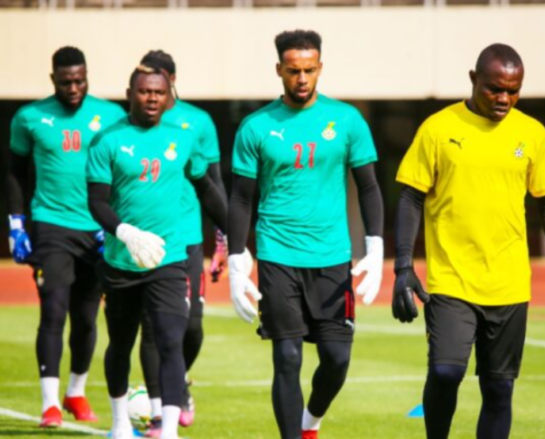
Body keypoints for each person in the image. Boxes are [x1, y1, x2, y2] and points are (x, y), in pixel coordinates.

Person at [392, 43, 545, 439]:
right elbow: (411, 197)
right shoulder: (438, 128)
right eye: (494, 88)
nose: (504, 99)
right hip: (451, 281)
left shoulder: (532, 134)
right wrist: (403, 266)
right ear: (473, 79)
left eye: (513, 90)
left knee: (498, 388)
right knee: (446, 372)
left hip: (509, 283)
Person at [226, 30, 385, 439]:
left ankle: (310, 421)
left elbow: (368, 186)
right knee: (288, 356)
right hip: (278, 256)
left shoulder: (347, 119)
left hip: (332, 257)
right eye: (293, 70)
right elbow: (241, 199)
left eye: (309, 70)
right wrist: (236, 262)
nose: (301, 78)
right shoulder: (255, 127)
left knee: (336, 359)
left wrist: (375, 245)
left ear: (320, 68)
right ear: (279, 69)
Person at [85, 64, 227, 439]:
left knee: (169, 339)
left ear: (169, 96)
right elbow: (96, 202)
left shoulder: (182, 137)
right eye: (144, 91)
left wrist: (233, 230)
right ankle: (118, 424)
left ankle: (168, 431)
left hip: (168, 258)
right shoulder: (106, 141)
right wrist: (125, 232)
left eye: (158, 92)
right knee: (121, 343)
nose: (151, 98)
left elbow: (207, 187)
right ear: (130, 93)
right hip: (121, 261)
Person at [6, 46, 126, 427]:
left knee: (87, 318)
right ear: (52, 79)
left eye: (80, 80)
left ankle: (75, 391)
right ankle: (49, 405)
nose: (73, 87)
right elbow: (13, 172)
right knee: (53, 310)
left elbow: (123, 171)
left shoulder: (111, 116)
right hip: (51, 224)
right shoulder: (29, 117)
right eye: (65, 81)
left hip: (97, 229)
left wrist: (118, 224)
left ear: (87, 75)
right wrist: (15, 223)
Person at [134, 50, 227, 437]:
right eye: (142, 87)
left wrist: (223, 240)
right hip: (142, 242)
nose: (150, 95)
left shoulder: (197, 123)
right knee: (152, 328)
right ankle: (159, 412)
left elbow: (214, 184)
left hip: (188, 240)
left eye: (155, 84)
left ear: (169, 80)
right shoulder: (128, 127)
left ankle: (178, 382)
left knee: (192, 328)